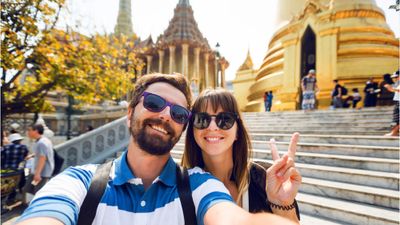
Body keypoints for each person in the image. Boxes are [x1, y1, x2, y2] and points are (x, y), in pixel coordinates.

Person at [16, 73, 297, 225]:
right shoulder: (80, 183)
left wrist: (281, 205)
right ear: (129, 113)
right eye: (152, 103)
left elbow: (231, 218)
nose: (164, 116)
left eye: (178, 113)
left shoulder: (199, 186)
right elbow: (46, 214)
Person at [182, 88, 301, 223]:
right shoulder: (182, 186)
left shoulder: (264, 178)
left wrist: (282, 203)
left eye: (225, 119)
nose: (212, 127)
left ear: (238, 131)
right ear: (193, 131)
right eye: (202, 119)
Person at [23, 124, 54, 198]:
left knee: (38, 193)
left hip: (41, 172)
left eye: (29, 130)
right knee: (28, 189)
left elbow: (42, 158)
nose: (28, 132)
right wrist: (32, 155)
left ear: (36, 131)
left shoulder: (41, 143)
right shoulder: (44, 140)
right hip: (39, 171)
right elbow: (42, 154)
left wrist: (37, 174)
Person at [1, 133, 29, 203]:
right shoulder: (23, 147)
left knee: (9, 184)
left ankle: (10, 198)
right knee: (21, 182)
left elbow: (2, 157)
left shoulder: (5, 147)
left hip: (7, 170)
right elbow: (25, 155)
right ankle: (22, 197)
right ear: (19, 140)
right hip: (18, 169)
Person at [385, 70, 400, 136]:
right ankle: (394, 132)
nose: (395, 79)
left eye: (396, 77)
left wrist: (391, 88)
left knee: (396, 118)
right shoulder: (398, 83)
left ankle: (394, 132)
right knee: (396, 118)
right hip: (397, 101)